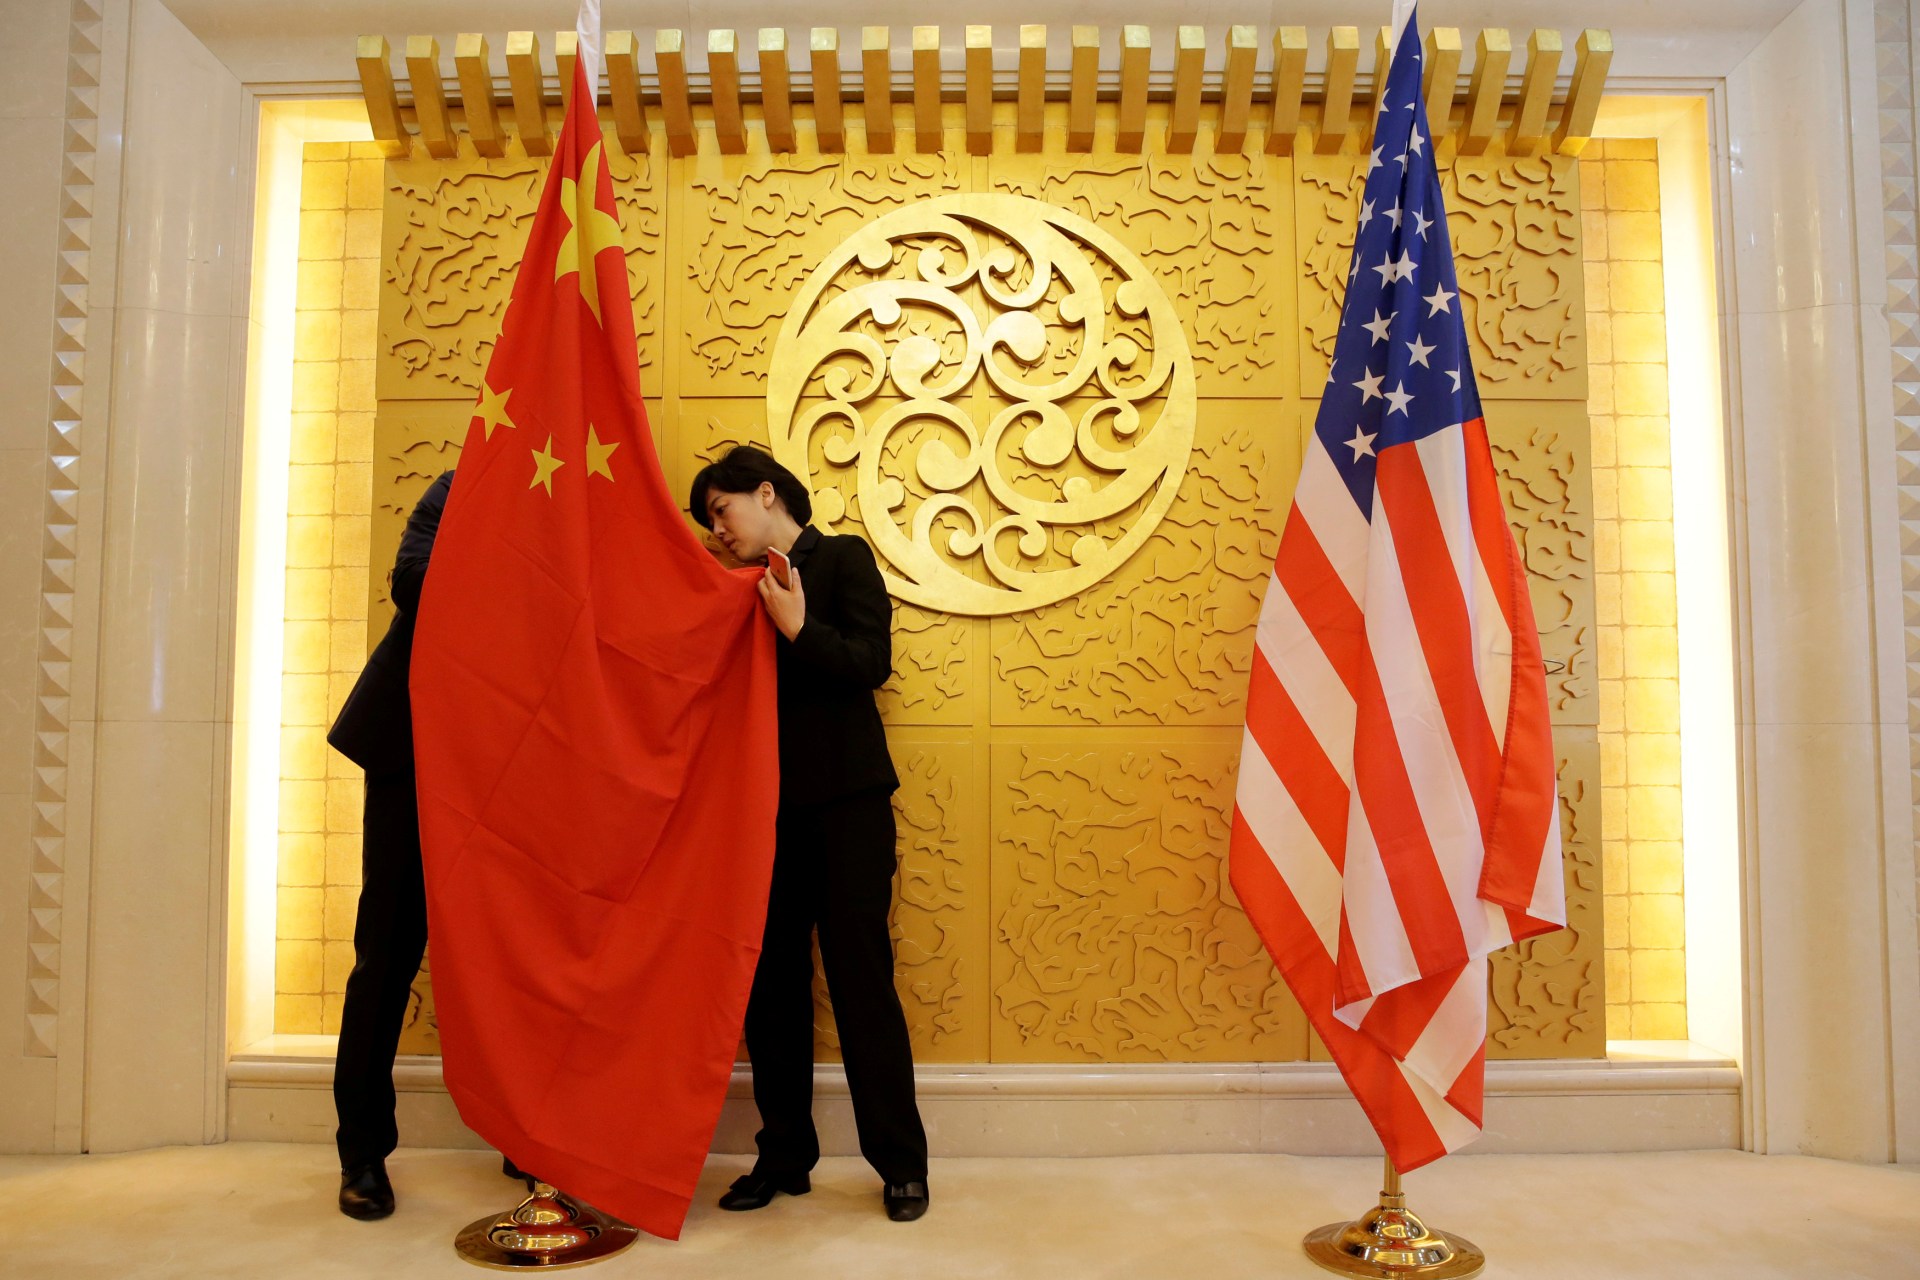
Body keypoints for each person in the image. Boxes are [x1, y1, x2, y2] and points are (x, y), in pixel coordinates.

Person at [689, 445, 930, 1223]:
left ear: (767, 494)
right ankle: (783, 1157)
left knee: (863, 986)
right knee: (773, 992)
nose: (717, 532)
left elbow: (871, 663)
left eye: (721, 512)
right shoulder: (729, 587)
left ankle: (901, 1165)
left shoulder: (843, 560)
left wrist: (798, 627)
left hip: (849, 810)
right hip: (760, 818)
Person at [326, 470, 487, 1219]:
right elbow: (414, 583)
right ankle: (361, 1153)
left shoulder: (575, 501)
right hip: (410, 755)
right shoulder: (455, 490)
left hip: (505, 769)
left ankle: (527, 1133)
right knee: (384, 956)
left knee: (506, 964)